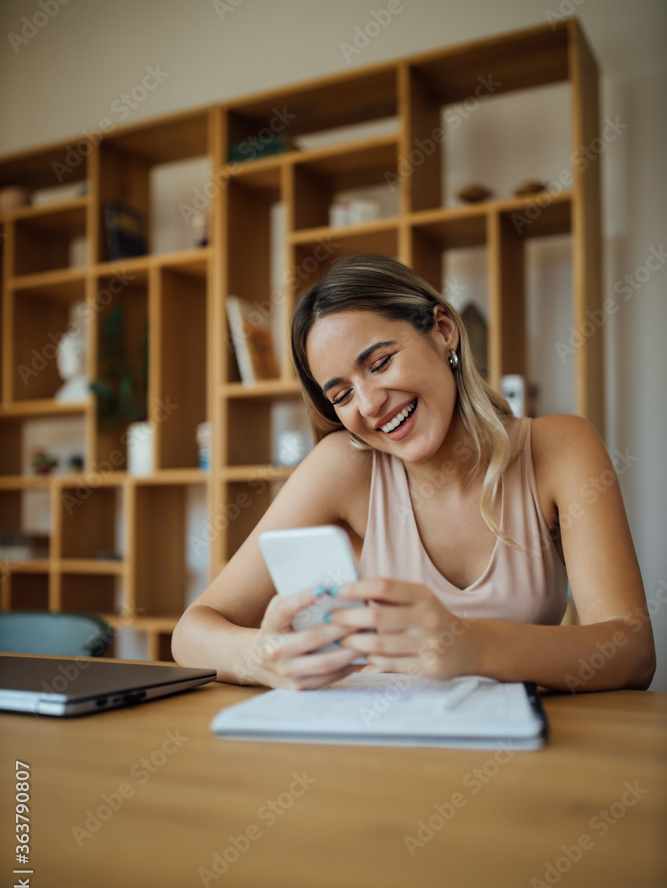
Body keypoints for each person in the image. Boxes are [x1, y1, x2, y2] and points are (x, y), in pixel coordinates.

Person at [172, 255, 655, 692]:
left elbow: (630, 652)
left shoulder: (558, 449)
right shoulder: (344, 466)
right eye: (340, 395)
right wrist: (264, 657)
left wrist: (470, 646)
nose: (369, 405)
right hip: (384, 755)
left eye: (380, 363)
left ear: (443, 329)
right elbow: (193, 631)